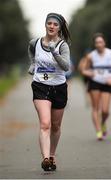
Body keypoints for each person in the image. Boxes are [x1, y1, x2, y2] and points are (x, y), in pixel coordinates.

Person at [28, 13, 70, 171]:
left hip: (59, 88)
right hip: (40, 85)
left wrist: (54, 53)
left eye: (55, 24)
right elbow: (31, 50)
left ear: (59, 28)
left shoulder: (62, 45)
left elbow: (66, 67)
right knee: (45, 124)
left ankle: (52, 155)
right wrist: (33, 64)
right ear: (45, 25)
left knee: (56, 126)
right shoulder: (36, 42)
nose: (52, 26)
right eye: (49, 23)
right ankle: (45, 159)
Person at [79, 33, 111, 141]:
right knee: (95, 108)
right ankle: (98, 131)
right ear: (94, 44)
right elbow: (83, 69)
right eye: (97, 42)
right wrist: (89, 73)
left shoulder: (110, 54)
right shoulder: (91, 56)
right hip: (95, 82)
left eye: (101, 42)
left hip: (107, 83)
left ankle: (102, 123)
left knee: (105, 111)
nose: (99, 44)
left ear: (104, 43)